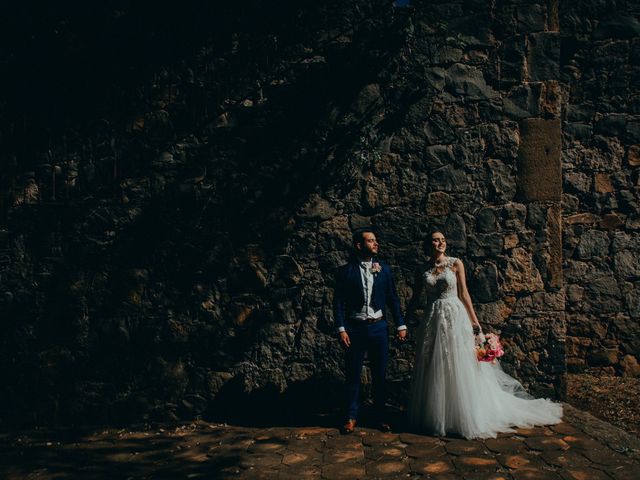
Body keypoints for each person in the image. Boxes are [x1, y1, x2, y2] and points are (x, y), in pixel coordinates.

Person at [406, 230, 562, 439]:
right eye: (436, 239)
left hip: (454, 315)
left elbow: (463, 294)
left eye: (443, 239)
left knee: (458, 363)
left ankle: (462, 415)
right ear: (428, 244)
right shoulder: (423, 269)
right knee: (436, 363)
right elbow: (416, 296)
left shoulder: (455, 263)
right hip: (433, 318)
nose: (441, 242)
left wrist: (475, 324)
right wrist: (405, 319)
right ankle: (438, 415)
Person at [333, 229, 407, 433]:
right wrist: (341, 329)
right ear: (359, 245)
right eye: (371, 240)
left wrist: (400, 324)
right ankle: (350, 416)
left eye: (376, 240)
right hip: (354, 329)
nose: (375, 243)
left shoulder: (384, 269)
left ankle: (380, 416)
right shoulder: (345, 272)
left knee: (380, 375)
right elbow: (338, 302)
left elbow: (393, 298)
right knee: (353, 374)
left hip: (379, 328)